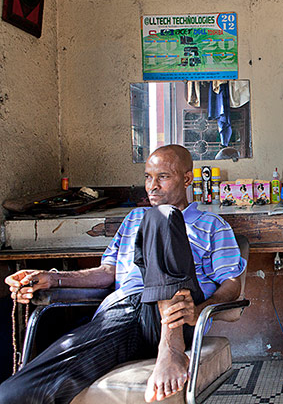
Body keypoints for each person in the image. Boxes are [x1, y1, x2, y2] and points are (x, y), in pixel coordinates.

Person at [0, 145, 246, 404]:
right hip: (122, 314)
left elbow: (231, 284)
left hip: (177, 316)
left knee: (162, 216)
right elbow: (107, 272)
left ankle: (170, 347)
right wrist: (53, 278)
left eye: (163, 176)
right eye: (148, 177)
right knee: (15, 394)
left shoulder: (212, 226)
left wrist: (199, 311)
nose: (152, 186)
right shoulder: (133, 218)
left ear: (187, 178)